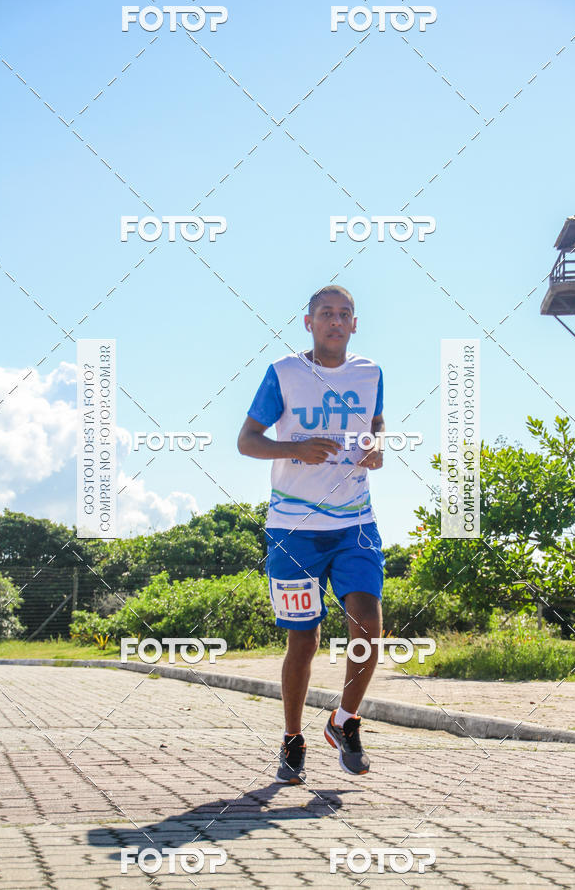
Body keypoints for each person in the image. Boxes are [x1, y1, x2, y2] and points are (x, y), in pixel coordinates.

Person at [237, 284, 385, 783]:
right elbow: (247, 441)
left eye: (345, 314)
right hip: (293, 530)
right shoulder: (284, 374)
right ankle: (292, 739)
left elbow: (376, 424)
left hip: (355, 524)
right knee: (304, 641)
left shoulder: (371, 373)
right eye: (326, 314)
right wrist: (293, 451)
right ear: (308, 322)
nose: (336, 321)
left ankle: (345, 721)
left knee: (368, 624)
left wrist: (376, 449)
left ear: (355, 323)